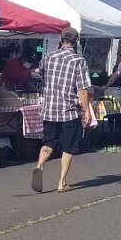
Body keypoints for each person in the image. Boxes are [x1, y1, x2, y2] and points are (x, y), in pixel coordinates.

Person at [32, 29, 94, 193]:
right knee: (68, 146)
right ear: (76, 41)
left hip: (49, 108)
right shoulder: (78, 61)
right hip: (68, 110)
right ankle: (61, 182)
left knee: (49, 142)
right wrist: (86, 110)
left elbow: (40, 75)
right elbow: (82, 88)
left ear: (61, 39)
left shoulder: (49, 57)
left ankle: (40, 165)